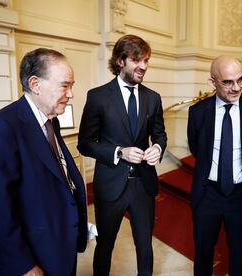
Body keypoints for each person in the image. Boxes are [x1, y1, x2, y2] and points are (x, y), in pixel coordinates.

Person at [0, 48, 88, 276]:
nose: (71, 94)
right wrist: (22, 265)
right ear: (35, 84)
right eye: (65, 85)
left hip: (58, 245)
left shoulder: (50, 121)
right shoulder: (0, 128)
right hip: (32, 257)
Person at [78, 34, 167, 276]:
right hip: (110, 185)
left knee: (145, 247)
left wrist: (157, 149)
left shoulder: (153, 98)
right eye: (138, 60)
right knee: (105, 246)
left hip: (144, 186)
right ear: (120, 60)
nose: (144, 67)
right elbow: (85, 143)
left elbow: (160, 135)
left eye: (146, 60)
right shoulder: (97, 97)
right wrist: (119, 152)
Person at [187, 55, 242, 276]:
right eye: (228, 82)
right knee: (203, 255)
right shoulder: (197, 112)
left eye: (241, 80)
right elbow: (197, 149)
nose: (237, 87)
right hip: (208, 194)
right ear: (212, 82)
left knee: (239, 255)